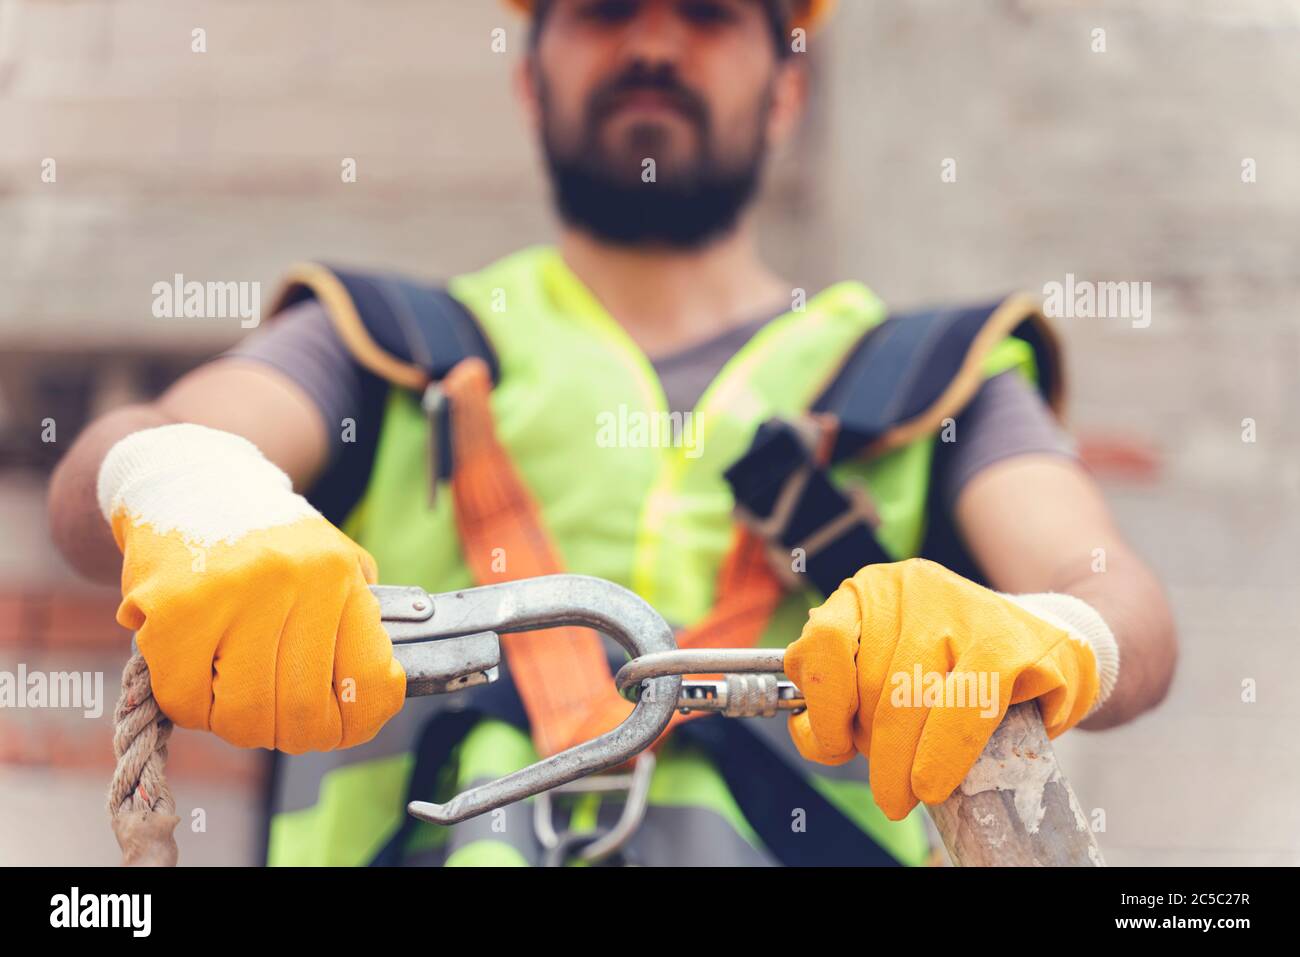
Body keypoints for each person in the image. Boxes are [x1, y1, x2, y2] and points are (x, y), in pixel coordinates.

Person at [48, 0, 1176, 866]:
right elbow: (119, 463)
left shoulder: (935, 374)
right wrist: (196, 492)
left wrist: (1053, 633)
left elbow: (1119, 601)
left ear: (787, 88)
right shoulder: (377, 340)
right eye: (601, 10)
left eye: (706, 14)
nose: (653, 46)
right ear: (528, 80)